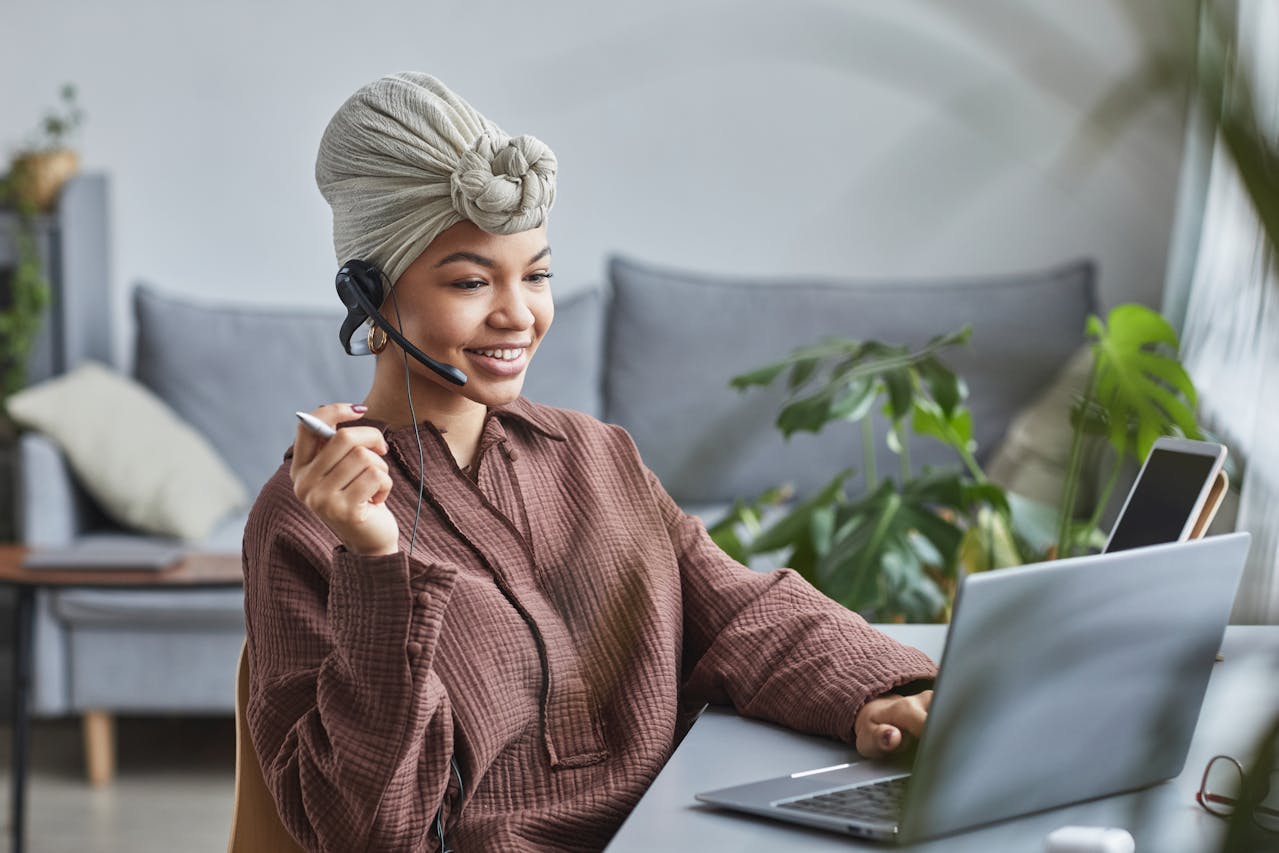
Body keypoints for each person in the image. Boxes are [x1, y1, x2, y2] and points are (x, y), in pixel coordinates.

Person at [242, 72, 937, 853]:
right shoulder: (306, 519)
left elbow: (738, 611)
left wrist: (888, 692)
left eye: (535, 274)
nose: (518, 314)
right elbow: (360, 829)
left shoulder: (594, 452)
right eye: (471, 281)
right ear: (368, 298)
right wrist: (375, 563)